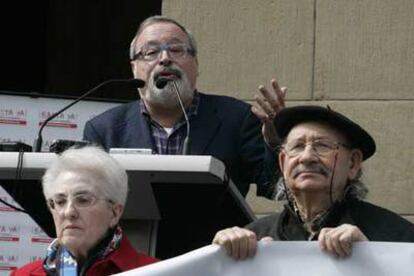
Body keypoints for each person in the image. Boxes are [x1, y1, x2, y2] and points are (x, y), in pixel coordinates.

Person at [82, 15, 287, 199]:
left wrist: (277, 141)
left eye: (176, 49)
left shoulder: (237, 118)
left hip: (216, 240)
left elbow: (275, 189)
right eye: (151, 52)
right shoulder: (104, 129)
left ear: (196, 64)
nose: (165, 59)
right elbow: (88, 198)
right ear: (134, 68)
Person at [213, 105, 414, 259]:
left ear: (353, 163)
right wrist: (220, 256)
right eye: (298, 147)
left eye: (323, 146)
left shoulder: (397, 237)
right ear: (283, 163)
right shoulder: (254, 238)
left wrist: (372, 256)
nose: (307, 157)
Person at [12, 146, 158, 275]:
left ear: (115, 213)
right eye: (60, 201)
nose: (68, 212)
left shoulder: (158, 272)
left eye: (83, 200)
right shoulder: (22, 274)